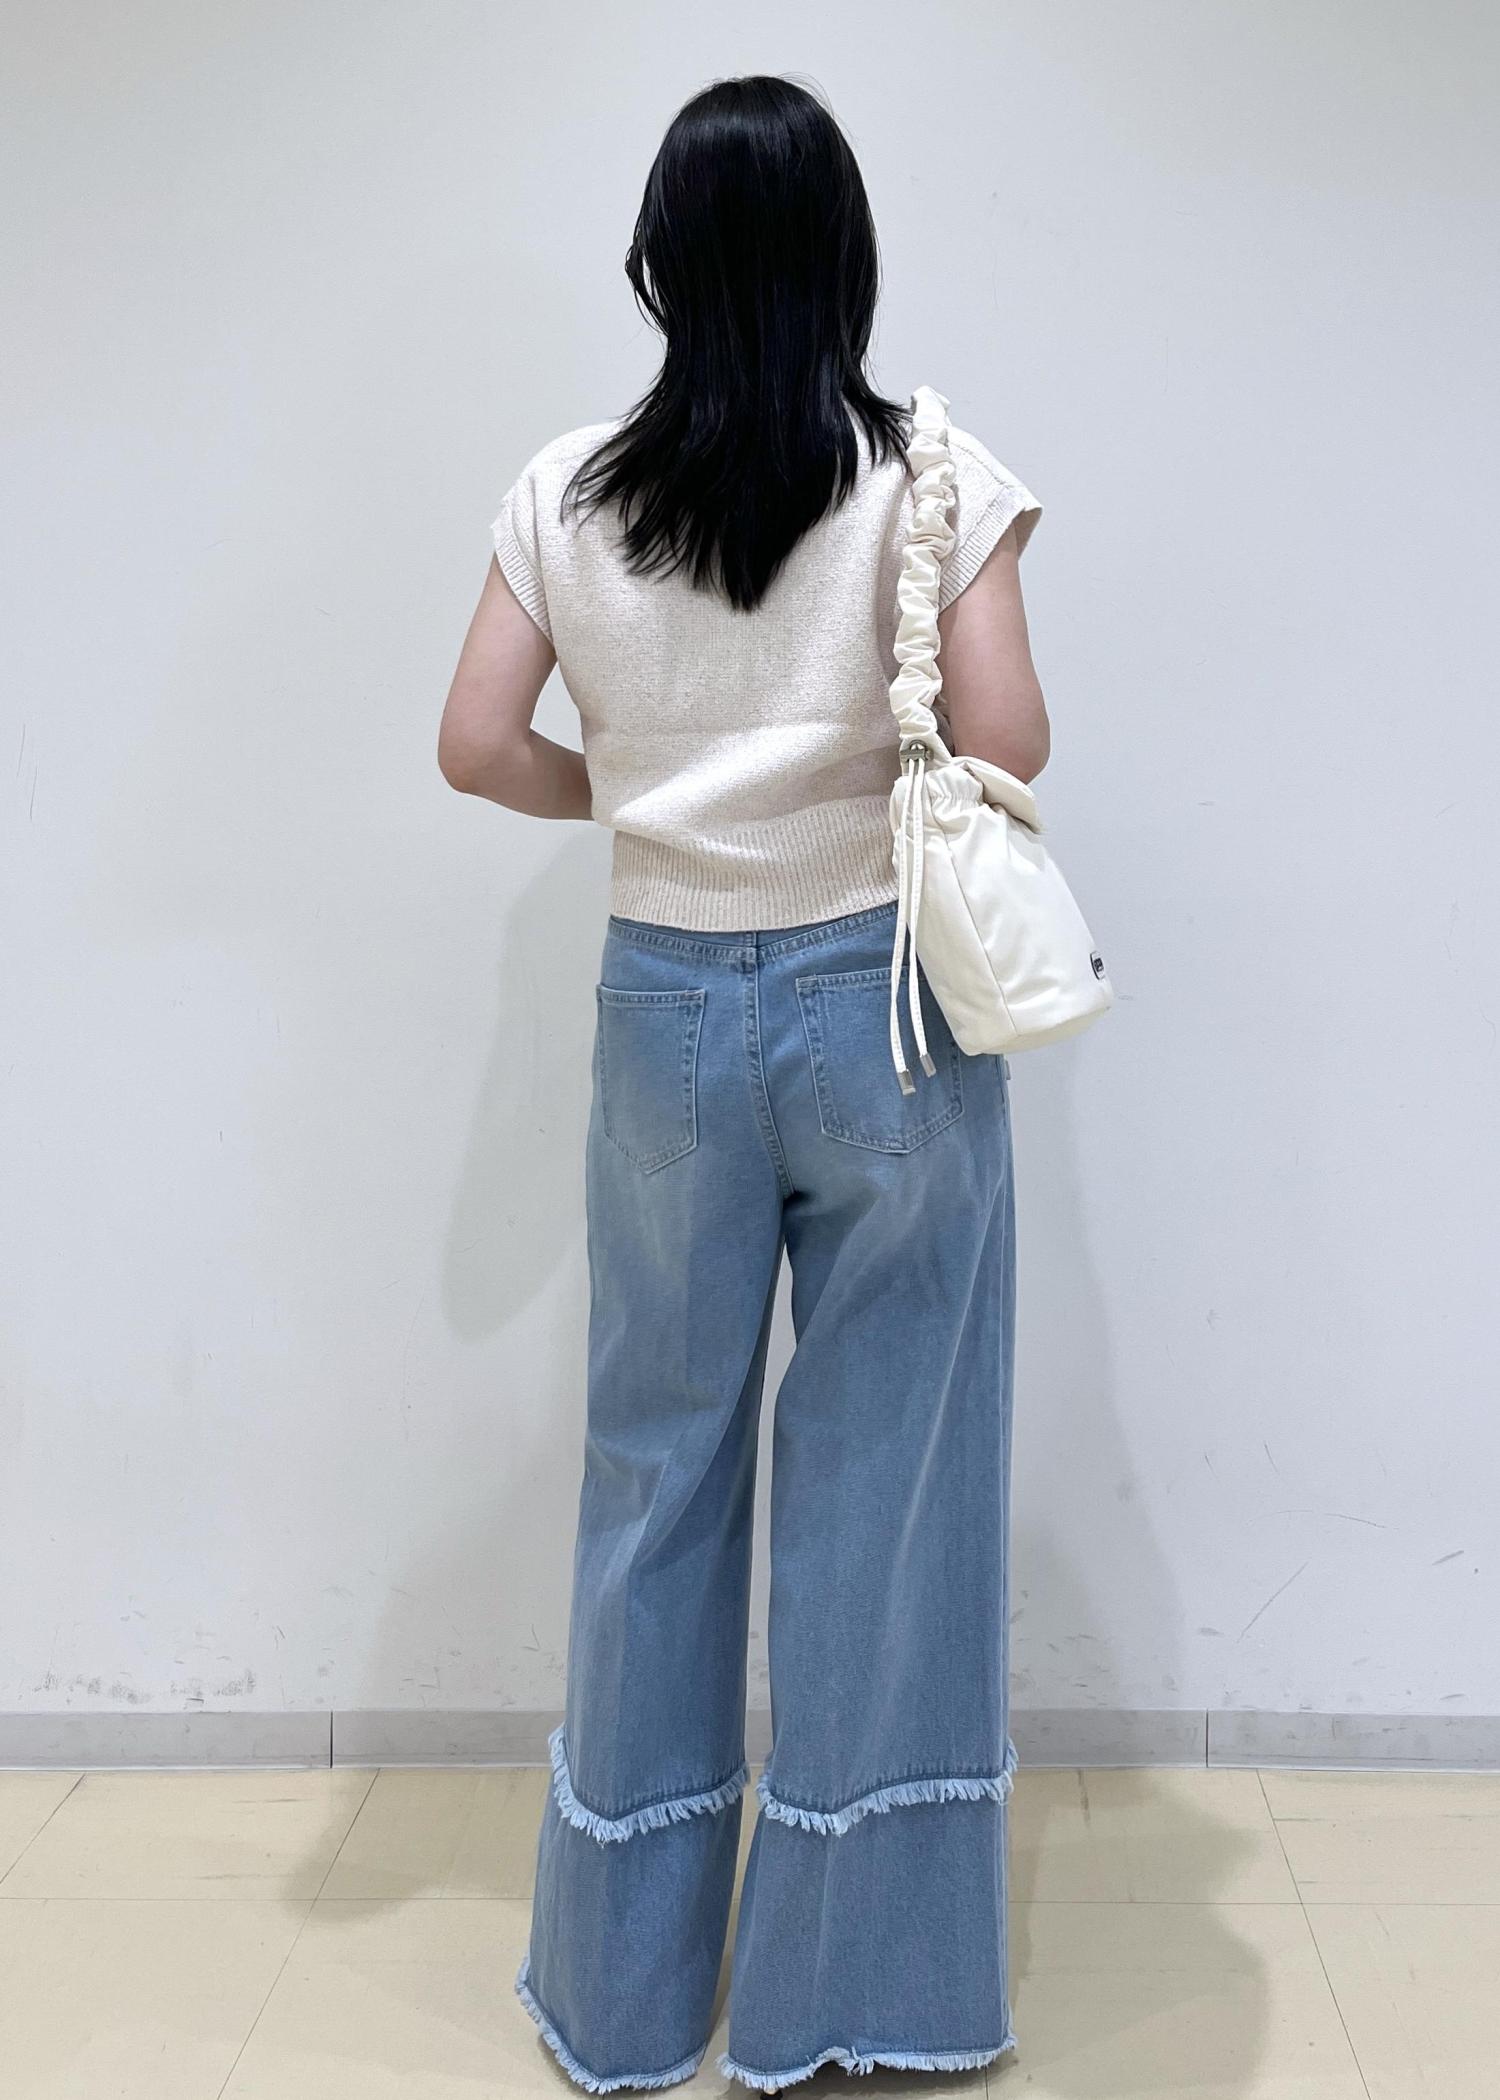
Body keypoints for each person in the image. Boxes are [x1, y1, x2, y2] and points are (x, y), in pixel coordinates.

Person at [439, 71, 1048, 2097]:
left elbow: (473, 742)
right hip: (884, 1007)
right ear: (846, 255)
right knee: (887, 1491)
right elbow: (1011, 737)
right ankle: (846, 2001)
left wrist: (641, 792)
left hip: (666, 1013)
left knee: (655, 1471)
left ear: (662, 264)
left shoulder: (567, 491)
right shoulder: (933, 475)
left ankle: (625, 2003)